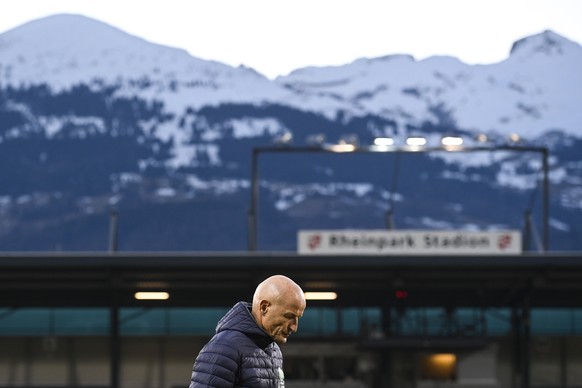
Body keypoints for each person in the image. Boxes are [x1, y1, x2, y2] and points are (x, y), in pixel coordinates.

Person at [189, 274, 307, 388]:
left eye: (298, 318)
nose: (294, 327)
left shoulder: (274, 351)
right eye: (289, 316)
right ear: (264, 308)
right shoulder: (224, 348)